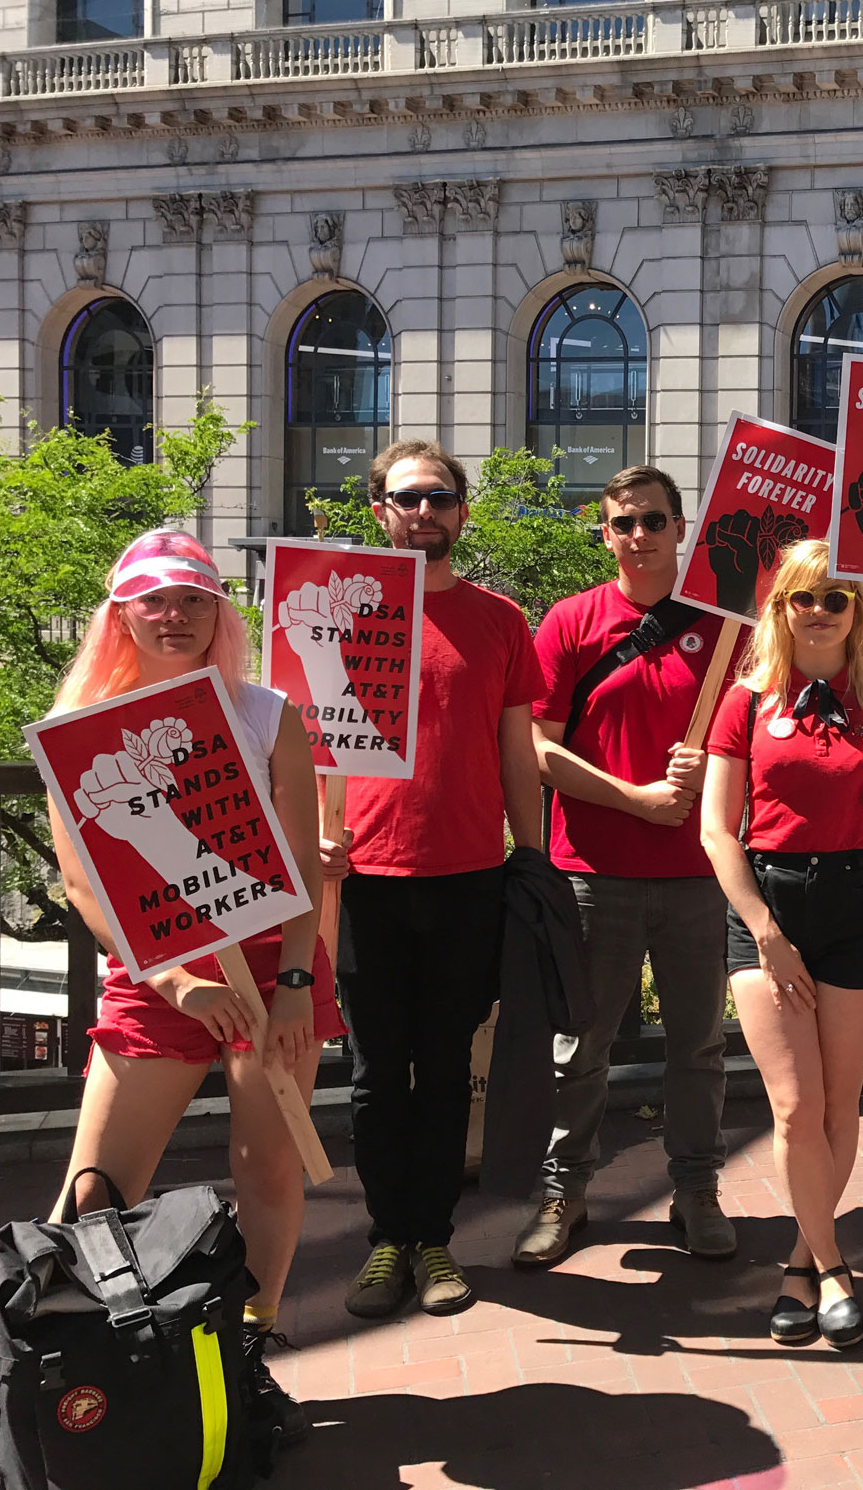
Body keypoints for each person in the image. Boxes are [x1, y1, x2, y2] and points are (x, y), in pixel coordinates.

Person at [46, 529, 343, 1446]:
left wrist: (294, 981)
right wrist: (172, 978)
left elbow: (299, 860)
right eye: (153, 601)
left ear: (220, 612)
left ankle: (246, 1356)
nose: (173, 617)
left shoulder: (264, 714)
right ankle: (57, 1362)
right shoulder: (82, 724)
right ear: (120, 613)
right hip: (155, 979)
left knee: (268, 1167)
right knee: (96, 1189)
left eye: (193, 599)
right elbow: (82, 881)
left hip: (271, 971)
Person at [326, 440, 547, 1320]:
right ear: (379, 509)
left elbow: (517, 751)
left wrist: (529, 859)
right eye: (407, 498)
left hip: (468, 877)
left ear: (462, 510)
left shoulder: (499, 620)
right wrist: (315, 839)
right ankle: (388, 1236)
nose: (425, 512)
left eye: (441, 497)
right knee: (378, 1071)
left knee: (450, 1065)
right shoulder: (334, 610)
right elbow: (306, 738)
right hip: (366, 879)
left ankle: (434, 1241)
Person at [700, 540, 863, 1350]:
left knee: (839, 1102)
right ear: (782, 607)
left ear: (860, 610)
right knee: (794, 1108)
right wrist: (766, 932)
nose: (824, 611)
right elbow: (717, 833)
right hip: (769, 903)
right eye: (807, 597)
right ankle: (836, 1270)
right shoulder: (746, 700)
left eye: (840, 598)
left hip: (857, 902)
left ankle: (802, 1259)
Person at [510, 466, 736, 1268]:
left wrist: (713, 772)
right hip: (590, 874)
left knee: (698, 1047)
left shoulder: (726, 631)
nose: (637, 536)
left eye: (652, 520)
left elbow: (752, 744)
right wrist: (636, 800)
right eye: (621, 523)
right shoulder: (570, 624)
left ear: (681, 530)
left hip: (697, 878)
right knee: (581, 1047)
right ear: (603, 534)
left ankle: (697, 1189)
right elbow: (537, 749)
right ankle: (563, 1191)